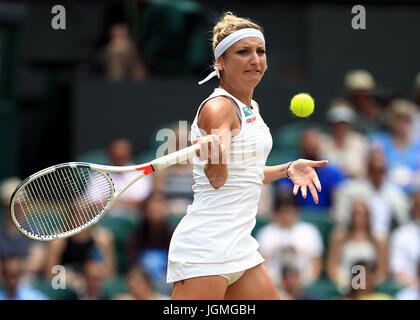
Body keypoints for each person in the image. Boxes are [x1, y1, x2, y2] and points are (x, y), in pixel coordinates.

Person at [167, 12, 328, 300]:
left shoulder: (251, 105)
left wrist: (287, 168)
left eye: (260, 51)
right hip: (206, 247)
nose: (255, 59)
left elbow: (245, 174)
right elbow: (217, 179)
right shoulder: (219, 108)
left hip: (239, 244)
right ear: (221, 64)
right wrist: (217, 152)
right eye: (243, 52)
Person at [333, 148, 410, 240]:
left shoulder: (395, 194)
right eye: (374, 169)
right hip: (358, 236)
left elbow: (403, 221)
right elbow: (341, 218)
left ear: (386, 172)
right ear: (368, 170)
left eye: (381, 170)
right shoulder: (351, 190)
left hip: (387, 238)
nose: (377, 174)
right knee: (338, 234)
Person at [256, 194, 324, 288]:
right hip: (275, 285)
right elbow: (263, 265)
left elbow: (316, 264)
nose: (286, 215)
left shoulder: (310, 231)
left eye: (289, 211)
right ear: (276, 213)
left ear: (296, 211)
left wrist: (305, 283)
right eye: (283, 211)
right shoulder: (266, 233)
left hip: (304, 286)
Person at [275, 128, 345, 211]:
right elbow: (283, 192)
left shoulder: (332, 171)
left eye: (314, 144)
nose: (311, 147)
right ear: (301, 145)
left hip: (327, 215)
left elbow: (340, 197)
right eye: (308, 144)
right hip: (297, 215)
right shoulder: (291, 167)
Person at [327, 199, 388, 291]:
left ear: (369, 216)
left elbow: (382, 270)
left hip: (370, 286)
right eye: (356, 214)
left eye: (363, 214)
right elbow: (332, 266)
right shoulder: (339, 237)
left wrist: (369, 284)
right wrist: (343, 284)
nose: (359, 218)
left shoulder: (378, 241)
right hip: (343, 285)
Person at [0, 177, 46, 277]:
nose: (16, 208)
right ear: (4, 207)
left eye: (19, 204)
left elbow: (35, 265)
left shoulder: (36, 229)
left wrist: (9, 267)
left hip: (29, 282)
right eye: (11, 205)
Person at [320, 100, 368, 178]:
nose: (340, 127)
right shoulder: (321, 143)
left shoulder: (360, 142)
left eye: (344, 123)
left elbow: (365, 171)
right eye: (337, 123)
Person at [390, 190, 420, 287]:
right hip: (411, 290)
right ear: (413, 209)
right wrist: (416, 285)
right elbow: (397, 270)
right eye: (418, 206)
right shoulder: (401, 235)